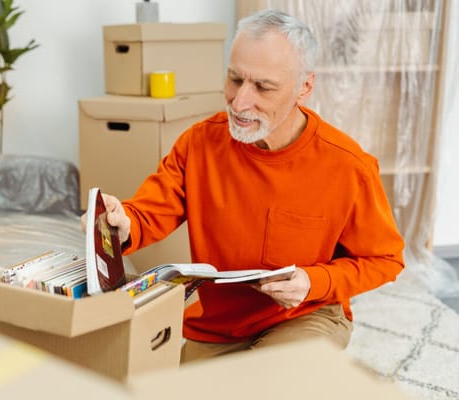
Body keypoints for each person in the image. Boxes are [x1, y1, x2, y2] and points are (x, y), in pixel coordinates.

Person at [82, 9, 405, 363]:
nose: (239, 101)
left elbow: (385, 260)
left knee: (259, 384)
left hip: (305, 316)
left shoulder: (348, 165)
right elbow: (149, 212)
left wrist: (316, 282)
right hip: (218, 326)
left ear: (305, 87)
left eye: (263, 87)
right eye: (235, 79)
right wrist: (122, 221)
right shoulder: (199, 144)